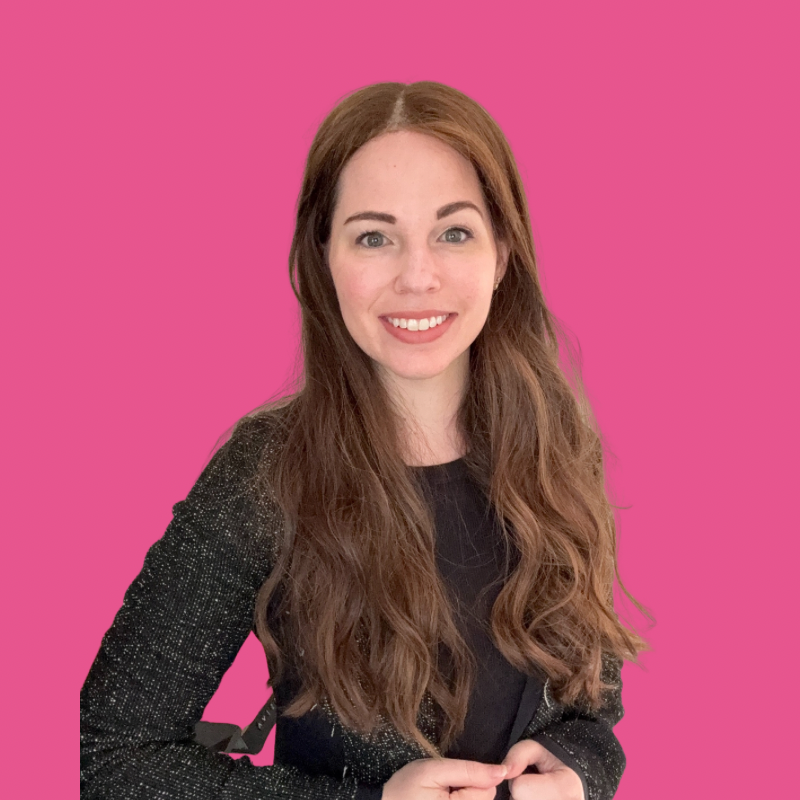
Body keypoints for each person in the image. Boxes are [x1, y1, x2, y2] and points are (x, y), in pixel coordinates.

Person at [80, 80, 647, 800]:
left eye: (454, 232)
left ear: (502, 254)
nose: (418, 276)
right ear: (324, 259)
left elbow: (591, 707)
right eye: (374, 236)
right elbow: (112, 755)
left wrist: (579, 772)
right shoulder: (267, 472)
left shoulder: (557, 445)